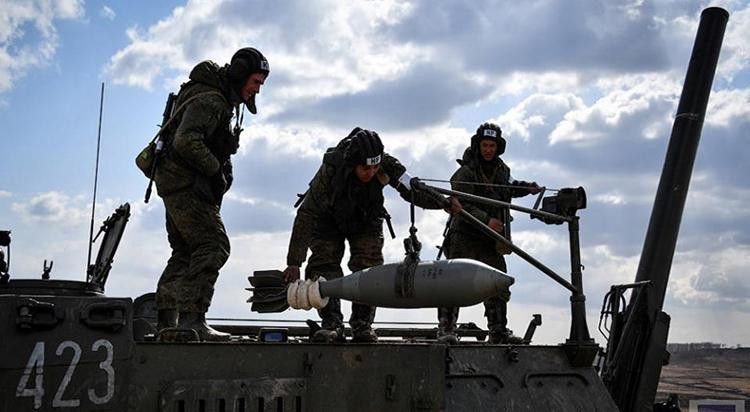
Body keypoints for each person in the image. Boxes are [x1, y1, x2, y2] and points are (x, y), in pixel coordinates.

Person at [283, 128, 461, 343]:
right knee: (324, 264)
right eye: (365, 168)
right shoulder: (330, 169)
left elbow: (411, 189)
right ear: (353, 163)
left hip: (366, 219)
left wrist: (442, 202)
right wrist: (294, 262)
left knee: (369, 267)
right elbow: (307, 214)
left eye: (375, 167)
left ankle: (362, 325)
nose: (371, 172)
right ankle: (331, 324)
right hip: (327, 221)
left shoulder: (386, 164)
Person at [153, 47, 269, 341]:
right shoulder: (212, 100)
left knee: (185, 252)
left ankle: (167, 323)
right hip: (187, 186)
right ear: (241, 75)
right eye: (255, 82)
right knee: (213, 246)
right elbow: (185, 140)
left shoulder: (214, 96)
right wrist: (215, 169)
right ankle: (192, 320)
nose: (257, 89)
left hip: (174, 184)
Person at [438, 122, 540, 344]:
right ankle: (446, 329)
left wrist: (528, 188)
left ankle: (498, 331)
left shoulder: (502, 170)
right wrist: (486, 220)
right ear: (478, 145)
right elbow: (461, 204)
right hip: (465, 236)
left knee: (498, 282)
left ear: (498, 147)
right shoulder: (466, 172)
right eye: (484, 145)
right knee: (453, 281)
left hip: (490, 240)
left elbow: (509, 187)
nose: (488, 150)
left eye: (492, 145)